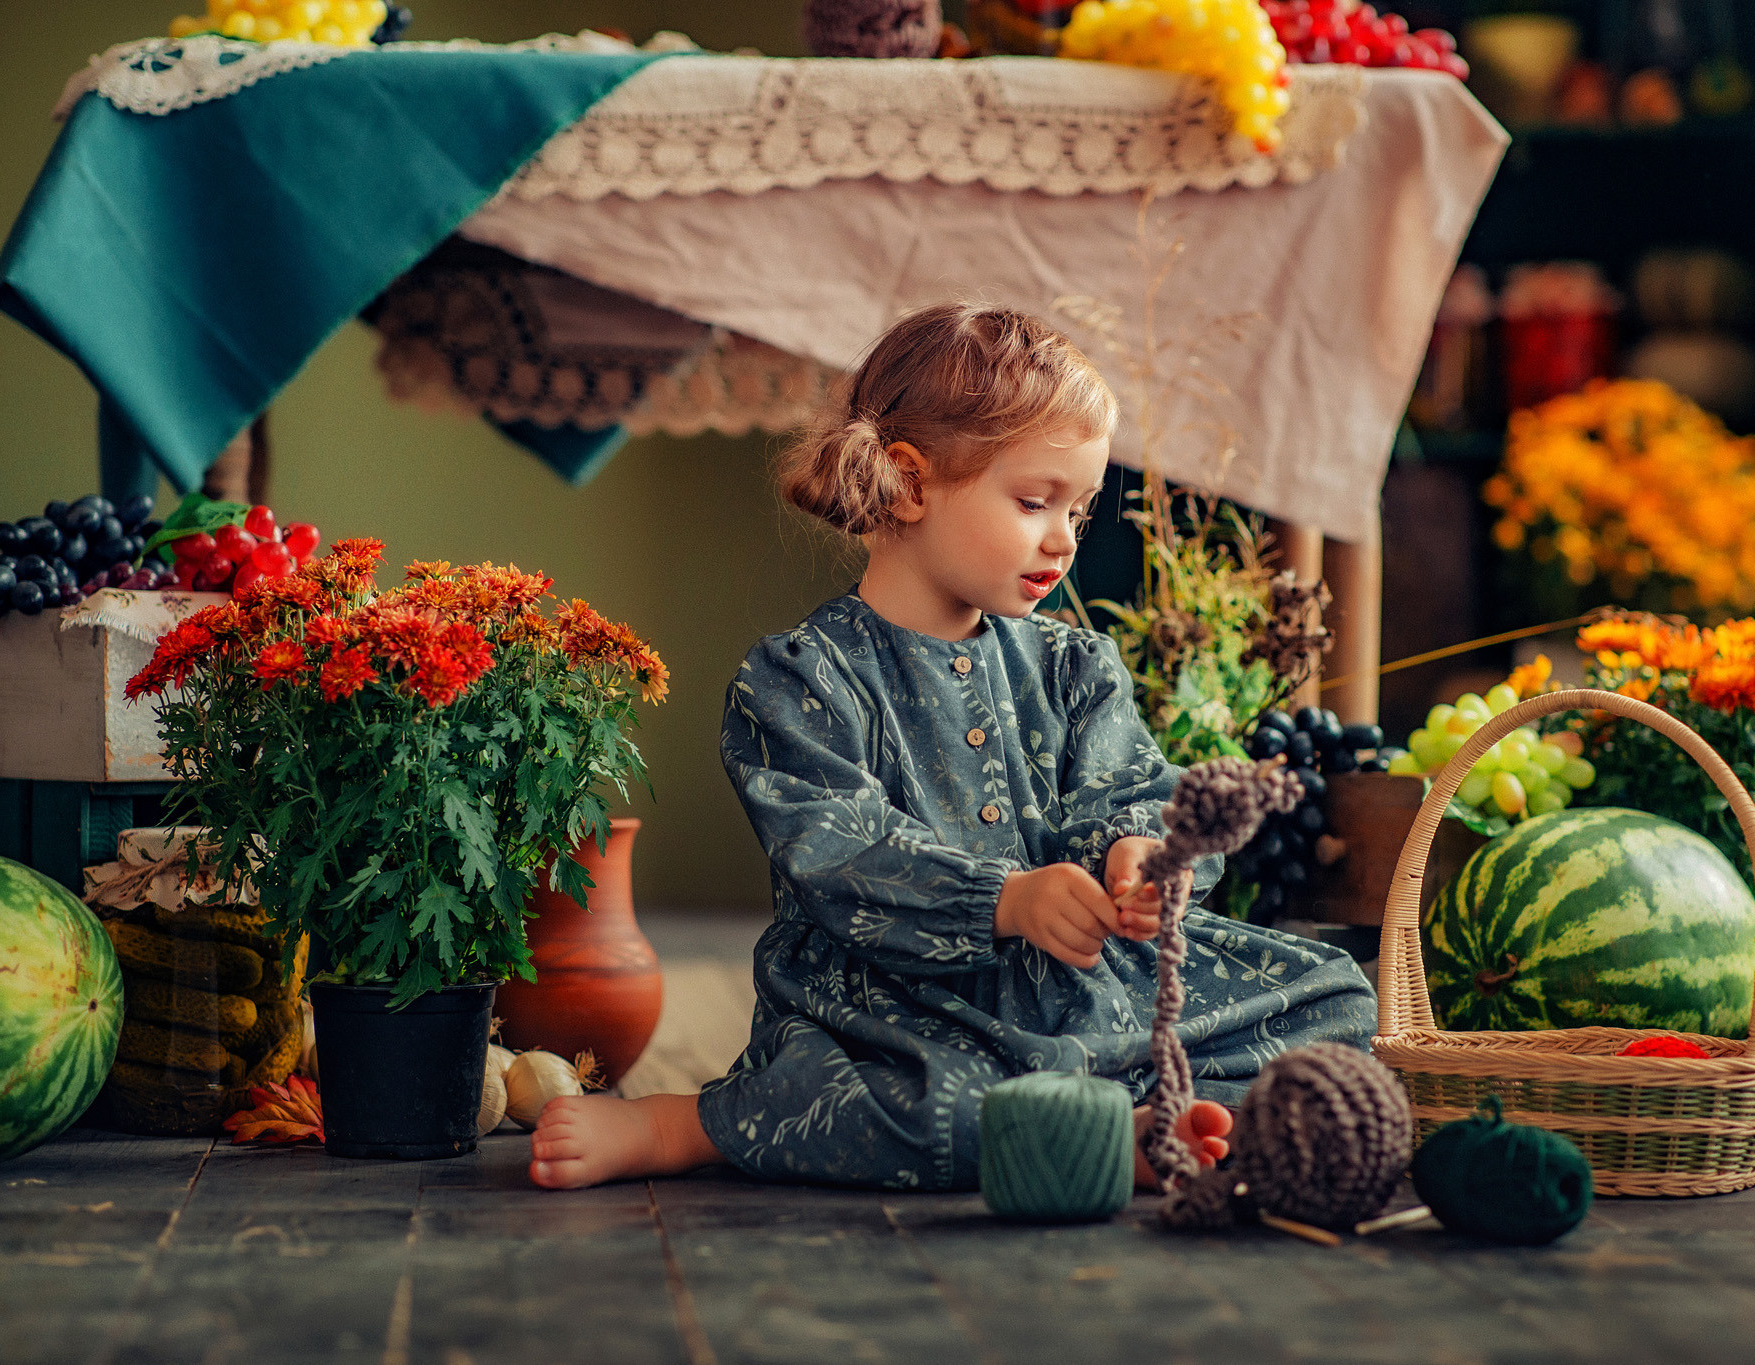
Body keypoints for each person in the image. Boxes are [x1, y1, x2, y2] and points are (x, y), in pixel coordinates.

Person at [530, 303, 1376, 1192]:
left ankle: (1114, 1121)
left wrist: (1142, 859)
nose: (1063, 539)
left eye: (1079, 512)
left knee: (1337, 999)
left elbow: (1129, 786)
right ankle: (689, 1126)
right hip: (895, 1010)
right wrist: (1003, 901)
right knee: (902, 1105)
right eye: (1033, 501)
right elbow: (837, 853)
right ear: (908, 484)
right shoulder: (799, 679)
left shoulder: (1074, 665)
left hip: (1079, 988)